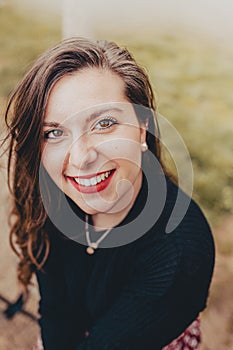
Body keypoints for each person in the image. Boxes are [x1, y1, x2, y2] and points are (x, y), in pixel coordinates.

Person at [4, 37, 215, 350]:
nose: (80, 158)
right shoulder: (52, 195)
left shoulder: (179, 252)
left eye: (104, 123)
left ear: (142, 128)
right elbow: (56, 313)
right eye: (54, 132)